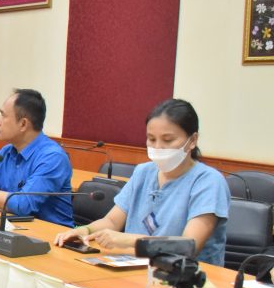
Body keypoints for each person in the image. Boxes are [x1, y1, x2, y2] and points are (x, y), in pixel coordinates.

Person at [54, 99, 230, 265]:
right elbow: (112, 221)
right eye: (151, 139)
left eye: (168, 140)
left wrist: (128, 240)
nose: (158, 147)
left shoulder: (209, 182)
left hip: (187, 276)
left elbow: (188, 245)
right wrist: (85, 230)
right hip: (136, 265)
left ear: (192, 140)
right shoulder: (143, 172)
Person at [0, 88, 74, 227]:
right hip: (12, 228)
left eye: (3, 116)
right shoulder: (6, 152)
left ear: (23, 124)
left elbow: (23, 205)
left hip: (51, 234)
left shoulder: (53, 157)